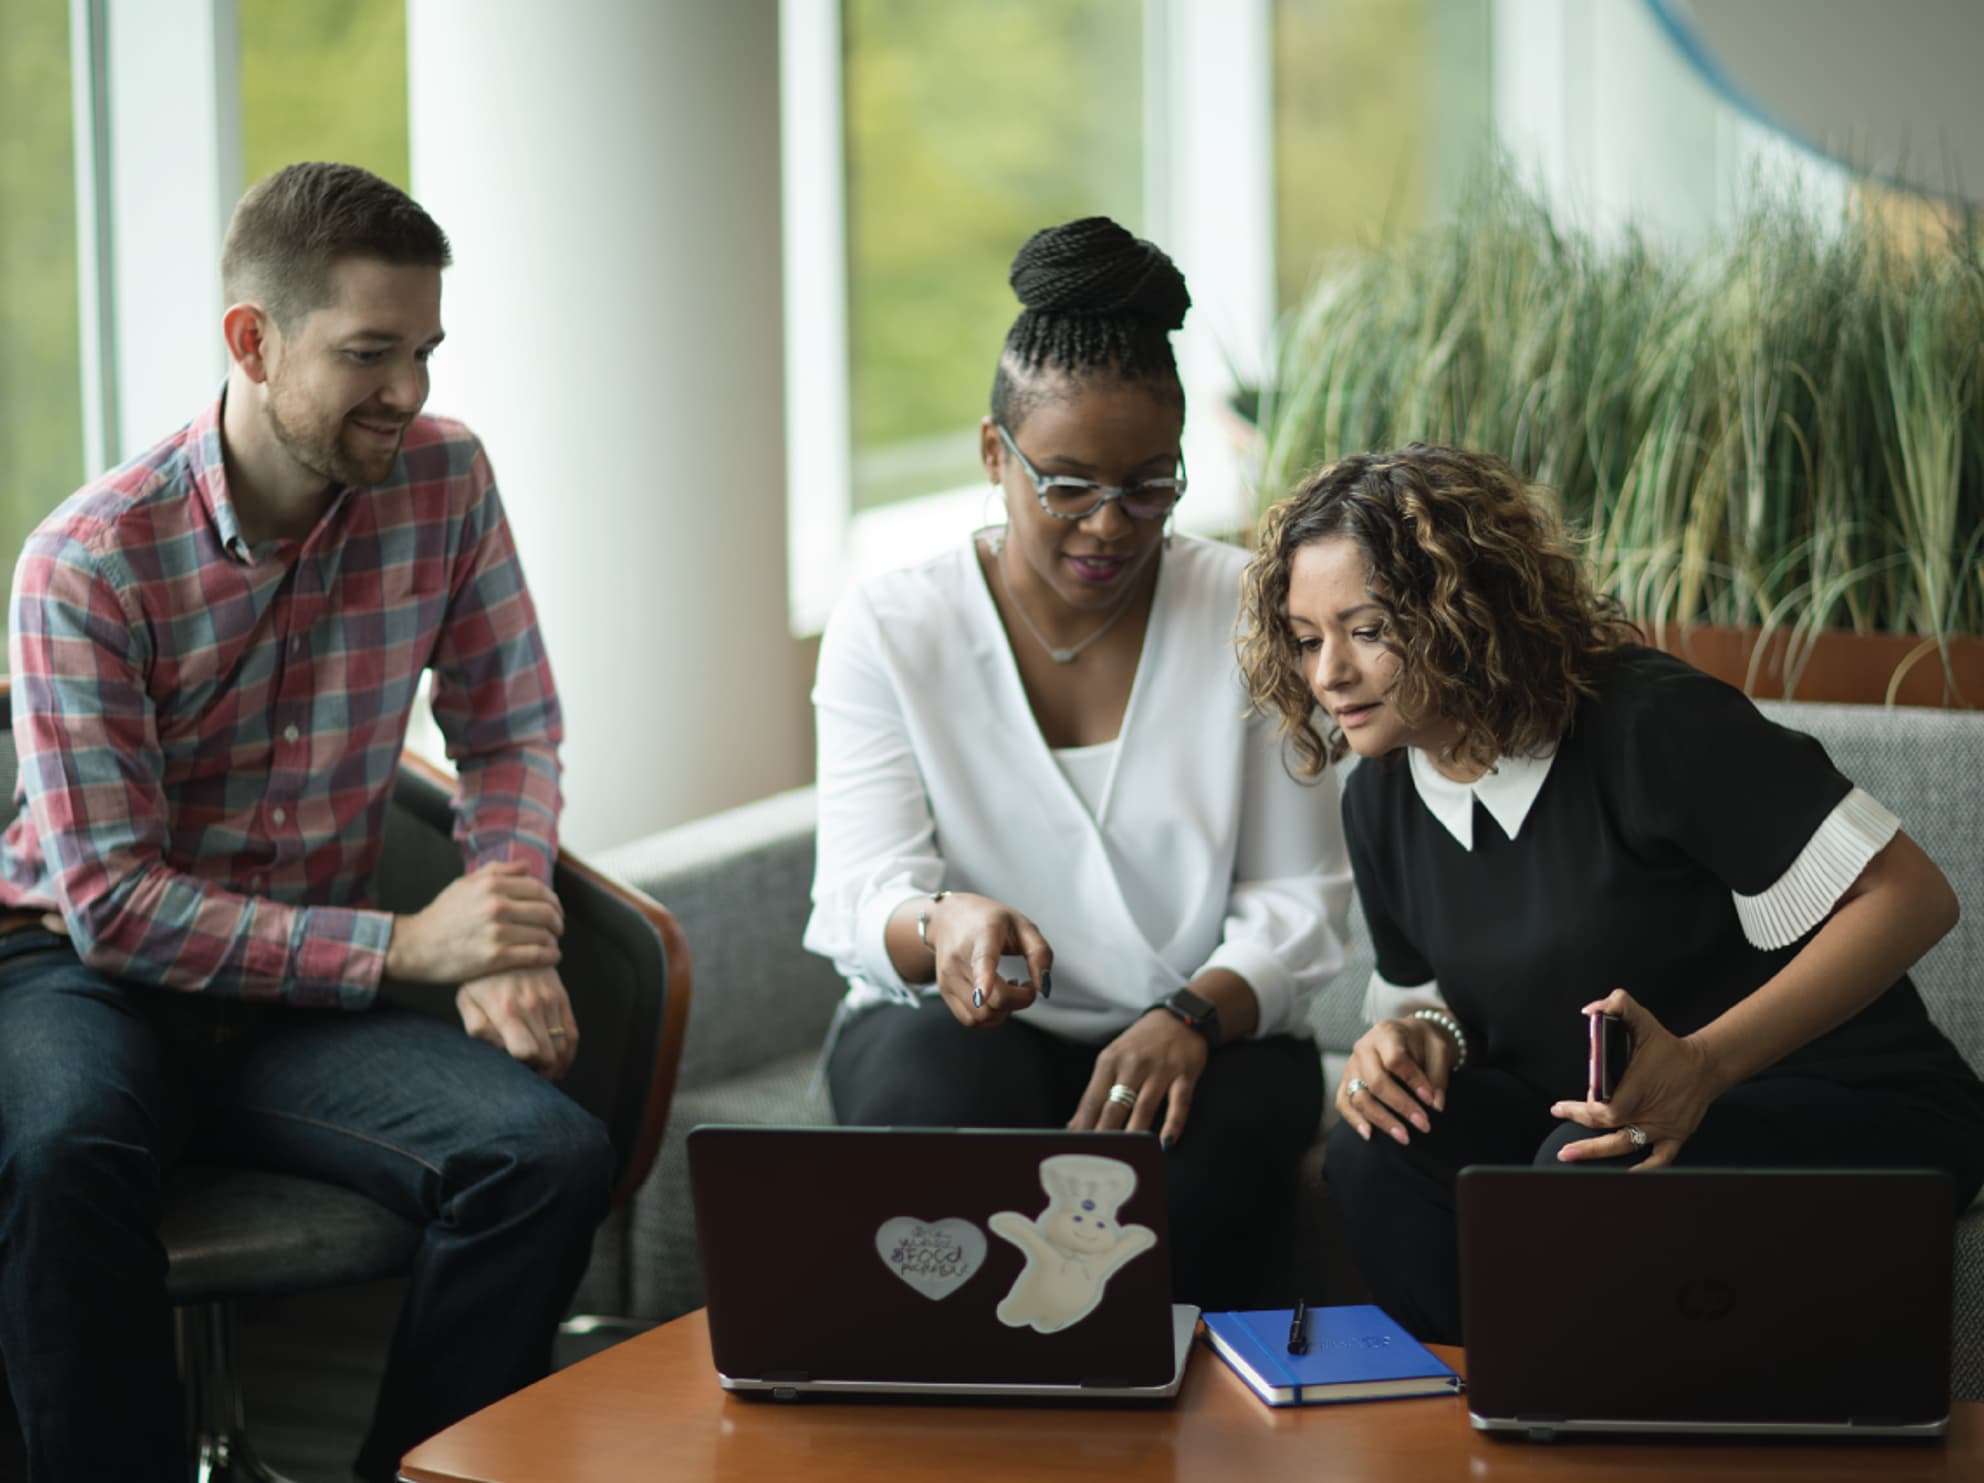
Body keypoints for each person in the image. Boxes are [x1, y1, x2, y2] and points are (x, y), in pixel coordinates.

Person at [0, 162, 613, 1483]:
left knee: (545, 1154)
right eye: (368, 353)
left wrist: (505, 922)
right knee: (59, 1150)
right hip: (83, 973)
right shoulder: (85, 562)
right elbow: (111, 903)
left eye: (425, 350)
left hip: (295, 1007)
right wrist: (407, 947)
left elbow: (510, 729)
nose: (410, 390)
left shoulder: (446, 479)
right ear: (252, 340)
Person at [1235, 442, 1984, 1343]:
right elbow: (1432, 1008)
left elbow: (1914, 897)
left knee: (1590, 1163)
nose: (1327, 675)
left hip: (1844, 1097)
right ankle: (1473, 1408)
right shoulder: (1382, 793)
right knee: (1378, 1149)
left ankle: (1553, 1413)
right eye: (1309, 639)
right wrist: (1407, 1041)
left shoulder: (1647, 722)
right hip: (1593, 1117)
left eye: (1368, 629)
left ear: (1461, 609)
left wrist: (1702, 1067)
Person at [803, 217, 1354, 1309]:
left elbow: (1297, 903)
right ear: (992, 454)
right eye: (1066, 485)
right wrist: (941, 923)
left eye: (1151, 486)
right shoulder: (892, 623)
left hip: (1206, 1024)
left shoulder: (1246, 610)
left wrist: (1190, 1018)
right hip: (963, 1027)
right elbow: (857, 895)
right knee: (932, 1118)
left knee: (1190, 1208)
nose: (1110, 525)